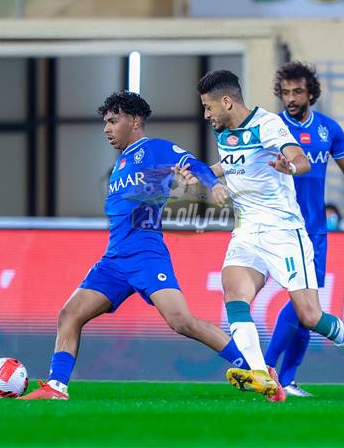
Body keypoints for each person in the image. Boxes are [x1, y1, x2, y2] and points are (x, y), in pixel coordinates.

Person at [20, 91, 250, 400]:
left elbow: (194, 165)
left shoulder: (153, 149)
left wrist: (215, 185)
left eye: (113, 121)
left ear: (135, 120)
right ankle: (57, 387)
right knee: (69, 314)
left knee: (182, 322)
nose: (107, 129)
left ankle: (254, 368)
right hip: (114, 260)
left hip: (145, 255)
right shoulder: (121, 164)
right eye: (105, 123)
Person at [187, 69, 344, 403]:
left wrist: (291, 167)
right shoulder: (225, 131)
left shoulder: (268, 125)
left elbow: (299, 158)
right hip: (247, 231)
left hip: (284, 232)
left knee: (310, 316)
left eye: (209, 107)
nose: (206, 115)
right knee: (234, 294)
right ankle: (262, 375)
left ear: (226, 102)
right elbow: (230, 164)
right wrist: (201, 176)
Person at [263, 61, 344, 399]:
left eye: (298, 92)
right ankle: (265, 367)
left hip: (315, 231)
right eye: (286, 92)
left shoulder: (328, 130)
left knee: (308, 309)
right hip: (277, 226)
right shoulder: (271, 127)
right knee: (301, 305)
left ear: (311, 94)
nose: (291, 98)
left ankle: (282, 378)